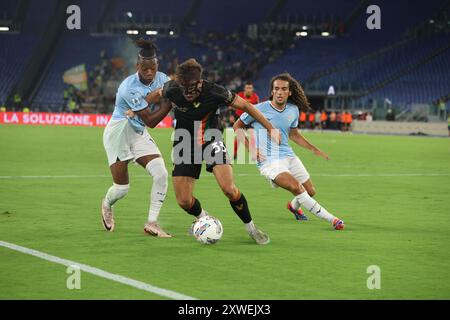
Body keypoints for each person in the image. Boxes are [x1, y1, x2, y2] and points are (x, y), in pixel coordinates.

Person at [144, 59, 281, 244]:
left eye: (191, 88)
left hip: (211, 139)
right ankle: (204, 218)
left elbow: (247, 106)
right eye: (183, 88)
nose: (187, 93)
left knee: (229, 189)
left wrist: (270, 128)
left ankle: (252, 228)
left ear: (199, 82)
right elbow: (154, 95)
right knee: (184, 201)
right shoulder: (172, 88)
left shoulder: (215, 91)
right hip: (184, 143)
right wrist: (137, 106)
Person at [233, 73, 345, 230]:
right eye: (276, 89)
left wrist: (314, 149)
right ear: (272, 91)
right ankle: (333, 220)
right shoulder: (257, 109)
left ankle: (293, 206)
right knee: (296, 187)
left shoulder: (293, 110)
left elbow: (294, 135)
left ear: (289, 92)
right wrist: (251, 149)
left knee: (310, 191)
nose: (279, 92)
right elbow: (237, 127)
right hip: (269, 161)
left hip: (289, 156)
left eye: (284, 89)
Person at [101, 38, 173, 237]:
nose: (149, 72)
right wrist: (168, 102)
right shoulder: (127, 88)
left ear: (157, 65)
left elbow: (172, 92)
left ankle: (152, 222)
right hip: (119, 132)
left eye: (153, 68)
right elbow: (151, 120)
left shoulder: (163, 78)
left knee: (161, 173)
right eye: (144, 69)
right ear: (137, 66)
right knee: (122, 188)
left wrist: (168, 93)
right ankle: (107, 204)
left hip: (138, 131)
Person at [233, 82, 259, 159]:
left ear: (252, 89)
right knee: (239, 136)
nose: (248, 90)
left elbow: (257, 109)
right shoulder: (239, 95)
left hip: (249, 118)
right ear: (244, 89)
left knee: (252, 135)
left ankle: (253, 153)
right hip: (239, 118)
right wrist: (231, 115)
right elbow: (232, 105)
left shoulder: (255, 97)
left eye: (250, 88)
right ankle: (234, 154)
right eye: (247, 88)